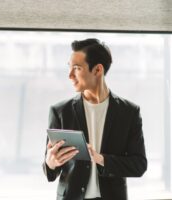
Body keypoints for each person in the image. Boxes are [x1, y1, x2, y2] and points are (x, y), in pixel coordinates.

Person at [42, 38, 147, 200]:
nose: (70, 75)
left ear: (98, 70)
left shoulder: (129, 112)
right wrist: (50, 163)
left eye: (76, 68)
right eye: (69, 68)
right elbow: (50, 170)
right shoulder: (60, 111)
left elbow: (139, 165)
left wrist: (100, 158)